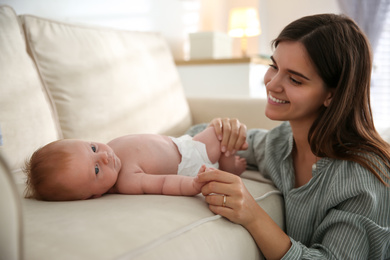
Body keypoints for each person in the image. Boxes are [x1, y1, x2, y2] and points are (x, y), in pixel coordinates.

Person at [195, 14, 390, 259]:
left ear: (332, 95)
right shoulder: (280, 143)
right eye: (273, 67)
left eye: (295, 80)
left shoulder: (362, 178)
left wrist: (253, 215)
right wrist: (220, 128)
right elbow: (195, 137)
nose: (272, 84)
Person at [24, 126, 247, 201]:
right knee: (219, 136)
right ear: (93, 196)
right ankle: (230, 167)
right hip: (190, 158)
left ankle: (228, 161)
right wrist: (192, 185)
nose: (103, 156)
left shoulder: (111, 149)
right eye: (96, 170)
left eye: (92, 148)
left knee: (221, 130)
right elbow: (163, 184)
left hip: (182, 142)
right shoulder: (127, 181)